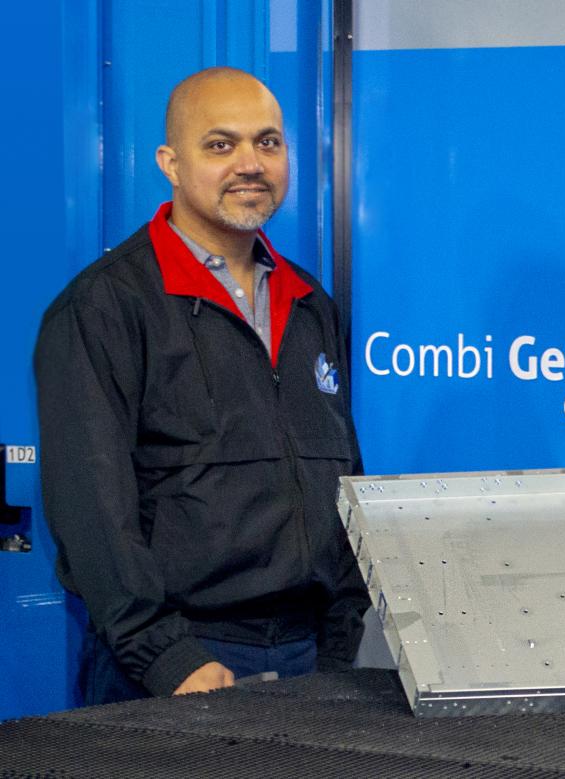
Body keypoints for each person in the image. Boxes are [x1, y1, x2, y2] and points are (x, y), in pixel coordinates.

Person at [34, 67, 368, 703]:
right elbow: (90, 506)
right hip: (179, 664)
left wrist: (340, 633)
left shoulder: (308, 303)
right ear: (171, 163)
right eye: (220, 144)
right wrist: (165, 657)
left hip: (312, 658)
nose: (250, 164)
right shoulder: (106, 307)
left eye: (267, 142)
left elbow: (344, 475)